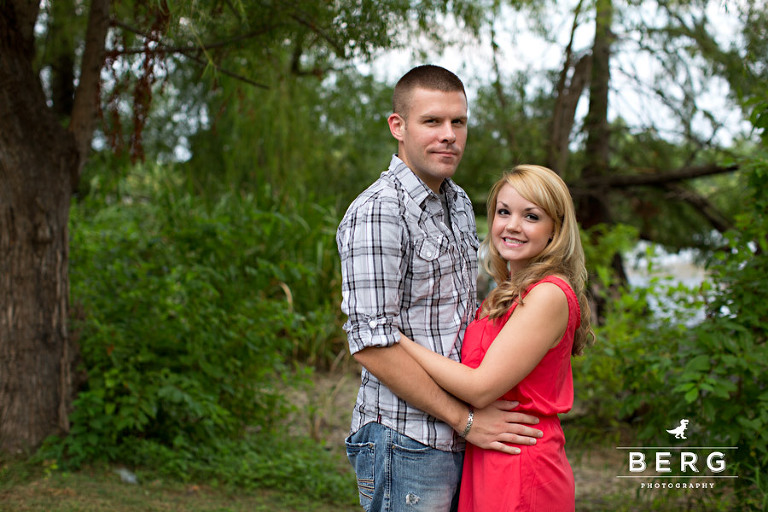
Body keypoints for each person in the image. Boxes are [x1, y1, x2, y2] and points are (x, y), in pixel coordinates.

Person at [336, 65, 543, 512]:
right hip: (405, 435)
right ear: (398, 126)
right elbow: (371, 344)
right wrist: (465, 420)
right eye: (432, 121)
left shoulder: (460, 203)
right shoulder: (379, 212)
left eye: (458, 122)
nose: (448, 134)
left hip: (461, 434)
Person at [398, 165, 594, 511]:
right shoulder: (504, 294)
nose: (512, 225)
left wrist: (397, 341)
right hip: (489, 453)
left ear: (556, 231)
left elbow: (479, 386)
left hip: (521, 459)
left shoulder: (548, 295)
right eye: (504, 212)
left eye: (531, 216)